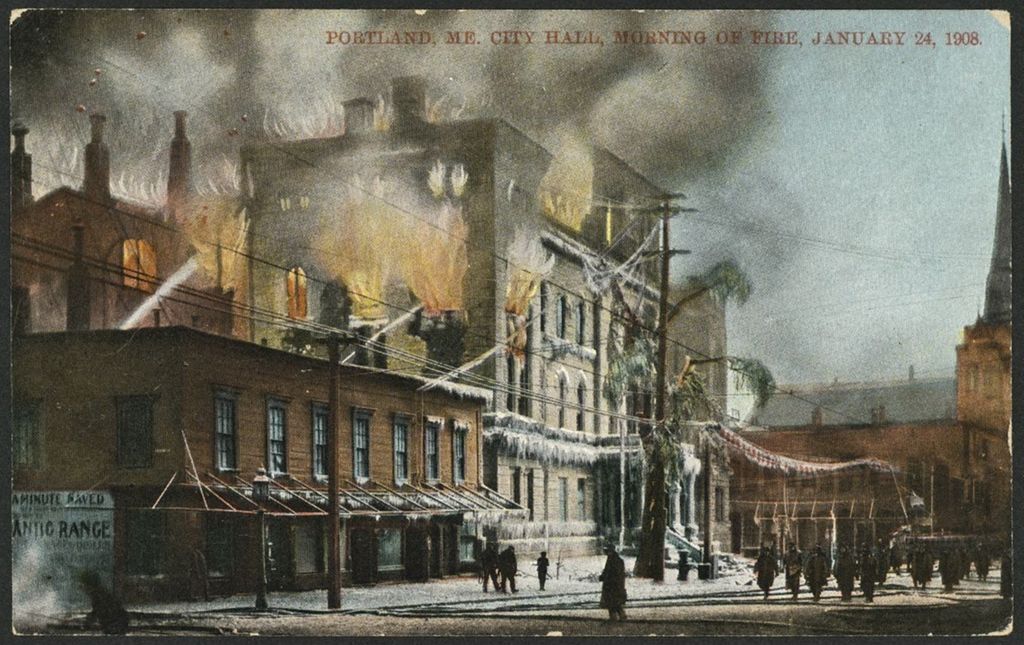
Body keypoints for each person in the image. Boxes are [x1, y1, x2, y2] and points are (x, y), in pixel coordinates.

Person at [599, 545, 628, 621]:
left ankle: (614, 617)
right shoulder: (618, 560)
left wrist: (603, 577)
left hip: (611, 586)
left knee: (612, 603)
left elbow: (610, 573)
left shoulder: (612, 561)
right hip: (616, 586)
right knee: (616, 603)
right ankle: (621, 616)